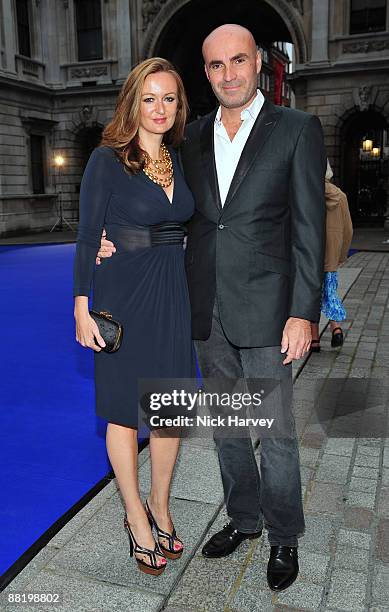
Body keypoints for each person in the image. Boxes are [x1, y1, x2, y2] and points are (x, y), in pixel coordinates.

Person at [97, 24, 326, 591]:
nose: (229, 73)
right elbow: (169, 215)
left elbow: (308, 229)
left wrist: (305, 311)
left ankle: (283, 536)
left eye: (239, 61)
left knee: (271, 428)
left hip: (270, 310)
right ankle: (244, 519)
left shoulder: (296, 129)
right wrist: (118, 242)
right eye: (217, 64)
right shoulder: (189, 138)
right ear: (205, 72)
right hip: (203, 309)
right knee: (228, 426)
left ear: (257, 65)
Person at [73, 58, 195, 576]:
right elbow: (87, 234)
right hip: (122, 296)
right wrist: (81, 305)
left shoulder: (177, 159)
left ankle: (160, 506)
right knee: (124, 411)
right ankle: (134, 517)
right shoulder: (107, 161)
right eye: (150, 98)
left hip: (172, 295)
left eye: (169, 98)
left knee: (168, 411)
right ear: (132, 103)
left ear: (179, 105)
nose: (160, 108)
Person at [311, 161, 353, 352]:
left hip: (311, 254)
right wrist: (341, 255)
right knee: (330, 291)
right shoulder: (341, 197)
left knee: (311, 295)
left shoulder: (308, 193)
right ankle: (336, 328)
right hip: (331, 254)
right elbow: (348, 230)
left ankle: (314, 340)